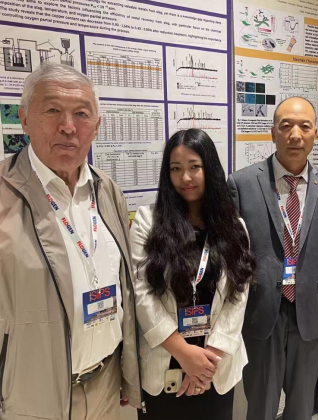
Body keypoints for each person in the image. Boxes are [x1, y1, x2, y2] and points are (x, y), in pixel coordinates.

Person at [0, 63, 142, 419]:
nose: (68, 126)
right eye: (52, 110)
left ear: (97, 125)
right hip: (32, 398)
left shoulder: (107, 190)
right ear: (24, 119)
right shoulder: (4, 192)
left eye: (81, 113)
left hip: (106, 384)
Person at [228, 96, 318, 420]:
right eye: (286, 126)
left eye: (304, 127)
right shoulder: (241, 183)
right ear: (273, 133)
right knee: (261, 406)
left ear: (315, 133)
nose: (295, 135)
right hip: (261, 312)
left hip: (310, 313)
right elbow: (233, 257)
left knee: (302, 407)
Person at [130, 128, 255, 420]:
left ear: (209, 169)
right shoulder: (149, 222)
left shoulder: (233, 226)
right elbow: (141, 292)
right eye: (176, 169)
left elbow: (238, 296)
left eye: (194, 167)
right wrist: (185, 355)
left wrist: (206, 362)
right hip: (166, 364)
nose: (185, 177)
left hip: (216, 365)